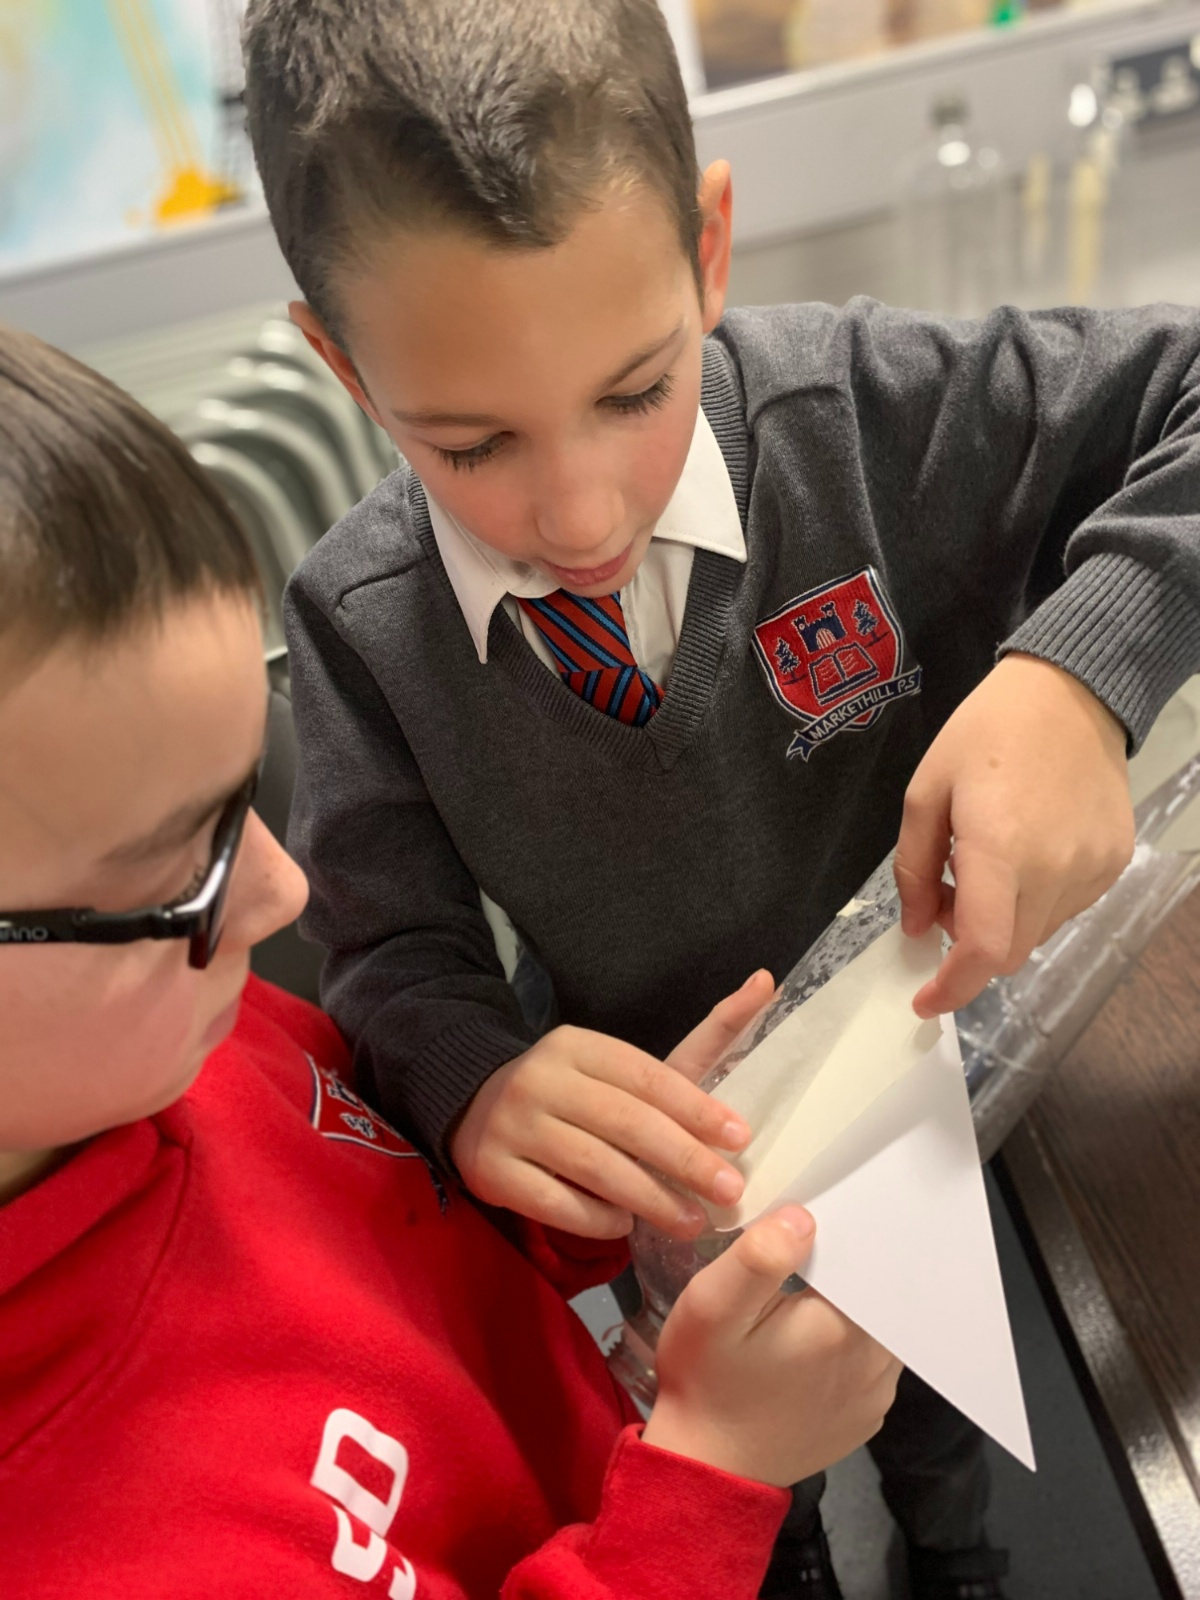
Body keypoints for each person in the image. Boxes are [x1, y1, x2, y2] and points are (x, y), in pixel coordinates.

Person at [240, 2, 1200, 1596]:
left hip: (925, 1095)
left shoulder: (868, 418)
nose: (579, 515)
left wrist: (1079, 676)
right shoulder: (361, 624)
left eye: (634, 392)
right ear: (342, 363)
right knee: (746, 1466)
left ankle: (956, 1559)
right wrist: (477, 1080)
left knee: (935, 1392)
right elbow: (391, 954)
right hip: (668, 1182)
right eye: (471, 445)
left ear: (707, 250)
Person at [0, 324, 901, 1598]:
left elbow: (396, 1249)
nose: (283, 890)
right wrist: (716, 1475)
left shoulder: (170, 1038)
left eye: (241, 800)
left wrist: (577, 1192)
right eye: (171, 876)